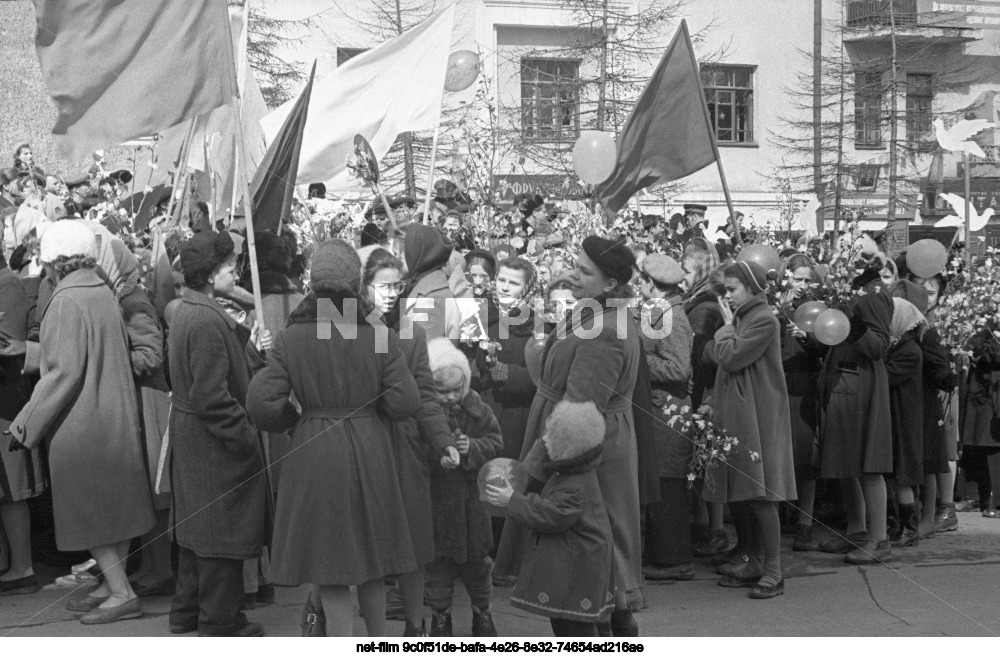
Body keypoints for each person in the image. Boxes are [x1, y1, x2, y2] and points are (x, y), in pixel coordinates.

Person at [247, 239, 421, 637]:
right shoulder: (376, 330)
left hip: (315, 449)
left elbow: (261, 402)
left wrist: (296, 420)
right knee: (373, 561)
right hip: (372, 446)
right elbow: (405, 401)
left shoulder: (295, 335)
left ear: (313, 281)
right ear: (356, 283)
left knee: (332, 568)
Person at [4, 220, 155, 623]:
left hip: (81, 421)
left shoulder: (68, 298)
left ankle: (121, 592)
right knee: (114, 509)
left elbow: (64, 370)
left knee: (88, 509)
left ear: (55, 259)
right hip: (110, 413)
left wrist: (25, 425)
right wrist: (30, 351)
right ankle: (112, 582)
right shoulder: (100, 288)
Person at [496, 236, 642, 637]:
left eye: (583, 272)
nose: (573, 276)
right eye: (575, 266)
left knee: (584, 554)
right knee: (595, 555)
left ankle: (609, 627)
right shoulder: (592, 313)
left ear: (611, 284)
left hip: (584, 451)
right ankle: (616, 621)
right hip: (577, 440)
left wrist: (532, 471)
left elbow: (578, 414)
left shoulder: (604, 330)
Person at [168, 230, 269, 637]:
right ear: (210, 275)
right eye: (229, 266)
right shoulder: (206, 318)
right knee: (219, 532)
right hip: (213, 441)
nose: (235, 271)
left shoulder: (191, 310)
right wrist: (244, 436)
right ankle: (220, 620)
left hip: (195, 435)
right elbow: (212, 396)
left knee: (197, 530)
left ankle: (187, 611)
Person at [704, 261, 796, 599]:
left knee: (763, 494)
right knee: (747, 493)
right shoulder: (744, 317)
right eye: (725, 290)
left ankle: (774, 571)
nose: (727, 296)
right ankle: (756, 561)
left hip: (761, 415)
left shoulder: (764, 319)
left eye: (732, 289)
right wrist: (725, 337)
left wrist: (726, 330)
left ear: (752, 287)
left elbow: (728, 356)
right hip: (743, 414)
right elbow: (712, 353)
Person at [487, 400, 613, 637]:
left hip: (578, 565)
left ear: (568, 446)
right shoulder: (578, 470)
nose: (544, 440)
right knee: (573, 620)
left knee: (574, 625)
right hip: (581, 561)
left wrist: (512, 500)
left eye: (551, 436)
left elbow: (549, 514)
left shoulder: (573, 485)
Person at [817, 255, 895, 564]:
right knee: (848, 460)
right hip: (846, 381)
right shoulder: (858, 292)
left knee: (867, 462)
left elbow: (878, 346)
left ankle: (879, 538)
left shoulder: (873, 293)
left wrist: (854, 323)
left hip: (861, 384)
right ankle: (858, 530)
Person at [424, 337, 502, 637]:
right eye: (442, 392)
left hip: (473, 502)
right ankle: (440, 615)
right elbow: (414, 447)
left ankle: (482, 611)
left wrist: (473, 447)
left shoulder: (478, 409)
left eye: (457, 389)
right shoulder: (425, 414)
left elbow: (496, 442)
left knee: (478, 562)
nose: (451, 397)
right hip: (439, 500)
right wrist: (436, 455)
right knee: (438, 564)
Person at [635, 254, 696, 583]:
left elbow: (677, 368)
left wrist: (639, 361)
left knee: (668, 485)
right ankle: (665, 556)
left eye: (641, 280)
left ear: (649, 283)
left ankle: (674, 561)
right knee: (661, 483)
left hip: (669, 412)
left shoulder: (672, 316)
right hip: (660, 410)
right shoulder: (660, 311)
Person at [0, 249, 45, 596]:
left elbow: (8, 347)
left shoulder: (8, 284)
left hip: (7, 401)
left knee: (12, 491)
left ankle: (22, 567)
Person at [681, 247, 728, 559]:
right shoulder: (703, 303)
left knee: (707, 460)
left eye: (686, 272)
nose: (683, 278)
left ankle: (715, 531)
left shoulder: (702, 308)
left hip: (705, 391)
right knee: (705, 459)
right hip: (708, 389)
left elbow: (699, 355)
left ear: (699, 272)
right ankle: (709, 526)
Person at [778, 254, 826, 551]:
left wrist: (808, 338)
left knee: (806, 461)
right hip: (779, 391)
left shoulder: (818, 311)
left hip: (805, 392)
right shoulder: (776, 309)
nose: (803, 285)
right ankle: (784, 513)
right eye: (798, 279)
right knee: (781, 457)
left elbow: (825, 346)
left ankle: (805, 523)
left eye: (808, 280)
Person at [883, 293, 926, 548]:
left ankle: (909, 529)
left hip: (905, 420)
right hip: (897, 417)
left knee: (903, 475)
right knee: (895, 474)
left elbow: (888, 377)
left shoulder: (909, 351)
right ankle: (897, 524)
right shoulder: (899, 346)